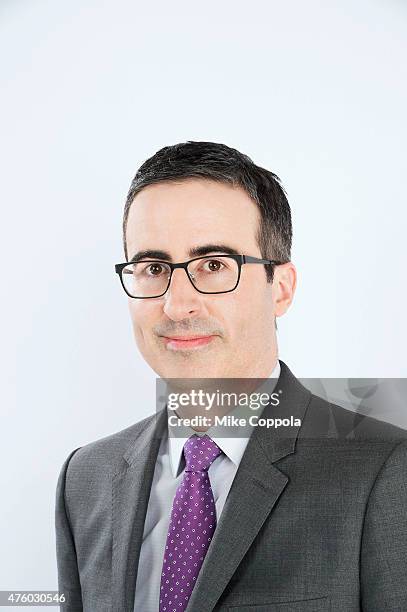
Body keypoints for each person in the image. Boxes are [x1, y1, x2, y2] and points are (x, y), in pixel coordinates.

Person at [55, 141, 407, 612]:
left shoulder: (384, 472)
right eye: (154, 268)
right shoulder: (85, 479)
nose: (177, 305)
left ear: (280, 288)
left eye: (215, 265)